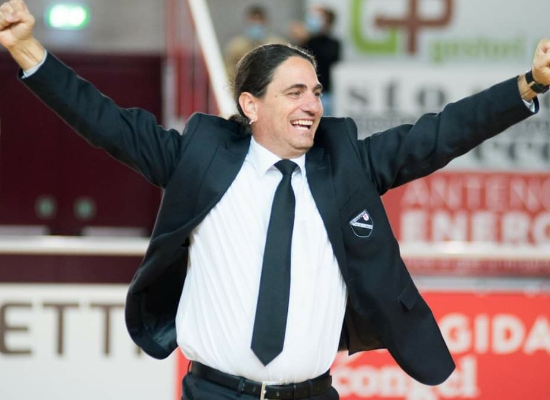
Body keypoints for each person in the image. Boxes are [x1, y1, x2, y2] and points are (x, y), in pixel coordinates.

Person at [1, 1, 549, 399]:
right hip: (213, 393)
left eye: (315, 91)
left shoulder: (347, 165)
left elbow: (440, 134)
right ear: (251, 105)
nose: (312, 103)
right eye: (294, 92)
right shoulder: (201, 158)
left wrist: (529, 83)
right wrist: (27, 48)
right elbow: (106, 123)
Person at [290, 6, 341, 115]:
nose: (313, 20)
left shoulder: (333, 43)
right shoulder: (305, 42)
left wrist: (308, 38)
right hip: (304, 93)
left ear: (328, 21)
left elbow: (324, 58)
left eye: (318, 17)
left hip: (326, 93)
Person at [224, 5, 285, 82]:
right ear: (247, 21)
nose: (256, 23)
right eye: (253, 20)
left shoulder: (277, 45)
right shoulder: (236, 46)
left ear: (266, 22)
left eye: (260, 20)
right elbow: (228, 72)